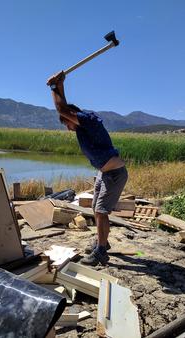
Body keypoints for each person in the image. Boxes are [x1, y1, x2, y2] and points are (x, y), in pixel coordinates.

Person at [47, 71, 128, 266]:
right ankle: (103, 242)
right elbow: (64, 109)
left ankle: (101, 252)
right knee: (95, 208)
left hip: (114, 174)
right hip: (104, 172)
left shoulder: (87, 121)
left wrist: (53, 88)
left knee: (101, 211)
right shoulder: (82, 125)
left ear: (72, 117)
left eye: (66, 123)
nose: (67, 127)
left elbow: (62, 110)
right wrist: (60, 84)